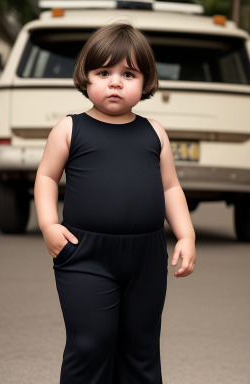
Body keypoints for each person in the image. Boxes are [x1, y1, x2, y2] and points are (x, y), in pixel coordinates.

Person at [34, 21, 196, 384]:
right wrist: (48, 225)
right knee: (91, 343)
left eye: (129, 73)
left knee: (141, 347)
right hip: (85, 253)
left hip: (146, 256)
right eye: (103, 72)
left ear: (146, 81)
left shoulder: (154, 132)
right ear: (86, 77)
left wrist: (186, 235)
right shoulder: (70, 128)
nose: (116, 82)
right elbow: (46, 177)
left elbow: (170, 188)